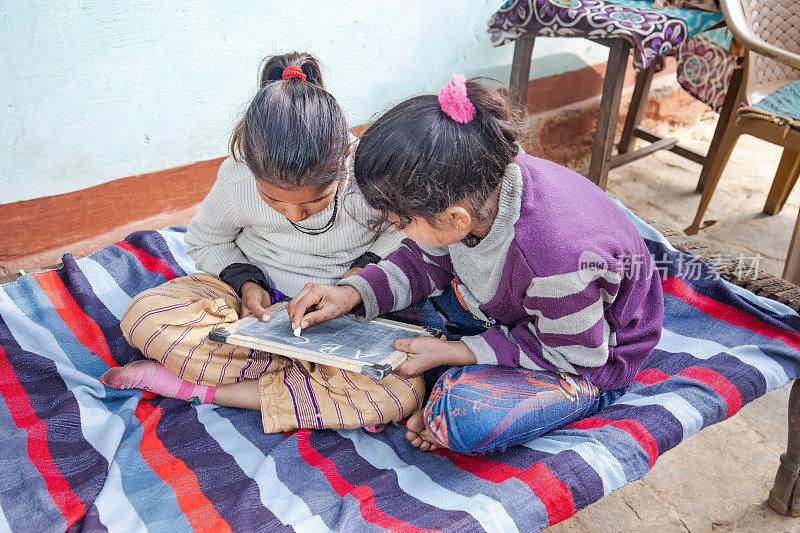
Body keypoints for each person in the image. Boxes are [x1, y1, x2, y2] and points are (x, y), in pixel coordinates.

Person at [286, 74, 664, 455]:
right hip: (511, 311)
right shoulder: (475, 182)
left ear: (455, 220)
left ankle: (447, 396)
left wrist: (456, 352)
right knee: (369, 313)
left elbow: (577, 357)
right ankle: (446, 376)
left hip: (587, 358)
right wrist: (351, 293)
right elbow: (422, 261)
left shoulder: (553, 262)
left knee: (464, 417)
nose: (396, 230)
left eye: (402, 223)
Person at [100, 52, 431, 434]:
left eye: (314, 201)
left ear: (343, 164)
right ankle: (313, 382)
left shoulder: (366, 173)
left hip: (344, 315)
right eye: (274, 200)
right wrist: (247, 283)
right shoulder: (238, 176)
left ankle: (194, 387)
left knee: (399, 392)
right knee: (147, 319)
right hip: (247, 307)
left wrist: (358, 280)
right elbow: (207, 240)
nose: (294, 215)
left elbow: (403, 232)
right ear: (251, 168)